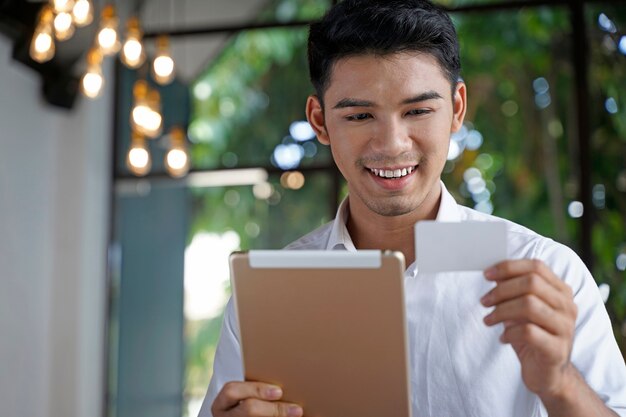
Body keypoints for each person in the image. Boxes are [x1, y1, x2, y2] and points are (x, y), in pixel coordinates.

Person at [198, 1, 626, 416]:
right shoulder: (269, 297)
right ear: (320, 121)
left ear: (457, 108)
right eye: (360, 116)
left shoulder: (544, 270)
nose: (391, 144)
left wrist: (560, 383)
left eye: (418, 110)